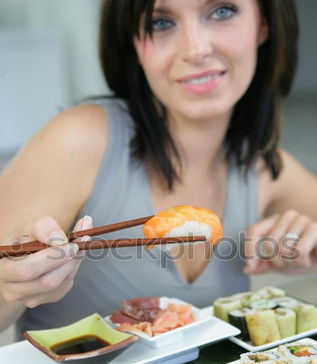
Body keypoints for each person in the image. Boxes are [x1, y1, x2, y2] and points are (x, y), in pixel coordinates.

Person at [1, 0, 317, 337]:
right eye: (160, 23)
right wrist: (11, 288)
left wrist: (309, 246)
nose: (195, 50)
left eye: (222, 11)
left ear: (264, 24)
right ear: (134, 44)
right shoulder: (78, 142)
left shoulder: (263, 167)